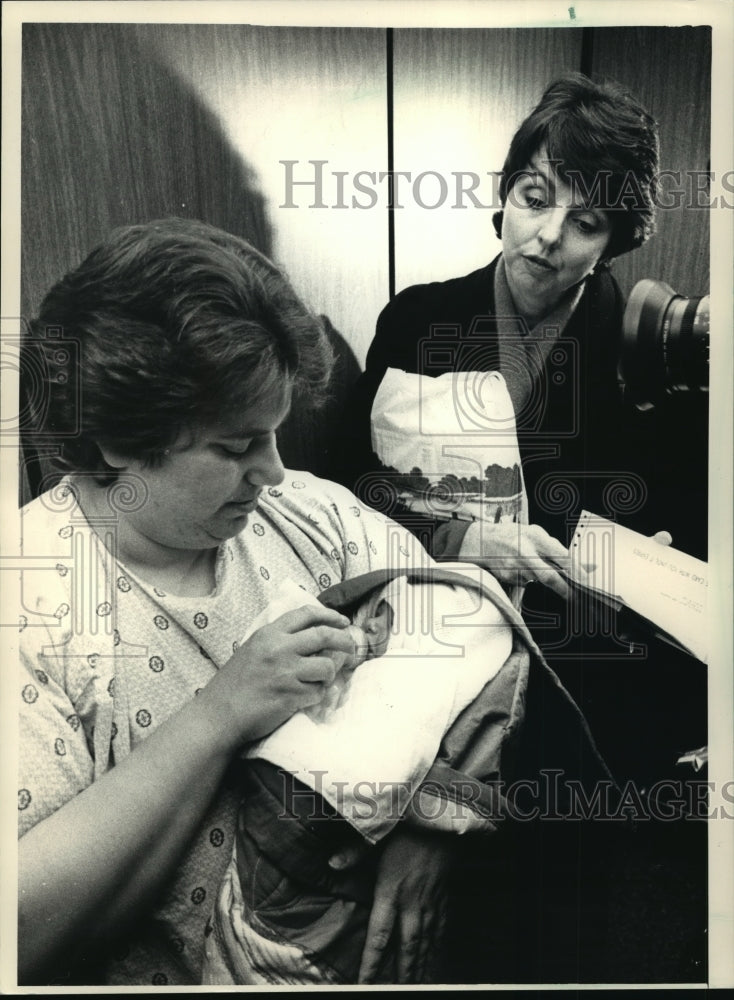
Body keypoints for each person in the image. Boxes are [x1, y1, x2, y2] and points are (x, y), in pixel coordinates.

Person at [16, 218, 458, 987]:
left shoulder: (305, 516)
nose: (277, 472)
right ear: (122, 441)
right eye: (236, 447)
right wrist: (222, 714)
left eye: (277, 435)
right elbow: (16, 936)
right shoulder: (32, 602)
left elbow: (466, 619)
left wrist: (438, 813)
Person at [334, 72, 661, 610]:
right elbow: (348, 484)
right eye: (535, 198)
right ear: (507, 192)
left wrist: (657, 566)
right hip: (432, 612)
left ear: (612, 245)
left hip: (575, 635)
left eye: (585, 222)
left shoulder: (641, 353)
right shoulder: (416, 319)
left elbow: (662, 516)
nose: (550, 234)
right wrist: (460, 540)